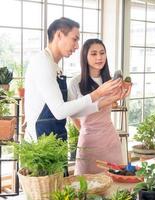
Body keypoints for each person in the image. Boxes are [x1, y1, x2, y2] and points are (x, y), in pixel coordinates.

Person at [24, 17, 123, 143]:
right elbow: (60, 111)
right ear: (59, 35)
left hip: (55, 139)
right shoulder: (42, 63)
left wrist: (108, 100)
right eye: (74, 39)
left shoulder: (54, 66)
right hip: (40, 145)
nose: (77, 46)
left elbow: (73, 112)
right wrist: (98, 93)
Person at [68, 38, 132, 175]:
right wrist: (84, 131)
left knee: (115, 184)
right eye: (94, 53)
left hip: (110, 140)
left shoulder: (110, 80)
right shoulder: (75, 82)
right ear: (85, 56)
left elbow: (113, 104)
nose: (99, 57)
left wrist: (122, 93)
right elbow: (72, 114)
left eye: (102, 53)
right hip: (88, 142)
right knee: (86, 186)